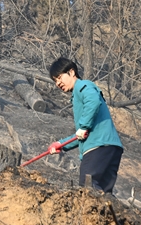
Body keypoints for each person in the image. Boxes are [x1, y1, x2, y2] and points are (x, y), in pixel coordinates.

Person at [47, 58, 123, 194]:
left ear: (71, 72)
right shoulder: (80, 96)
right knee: (104, 194)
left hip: (98, 147)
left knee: (87, 188)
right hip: (111, 147)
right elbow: (82, 135)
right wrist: (61, 144)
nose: (58, 83)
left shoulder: (83, 86)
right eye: (55, 81)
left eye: (59, 78)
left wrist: (83, 126)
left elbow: (93, 101)